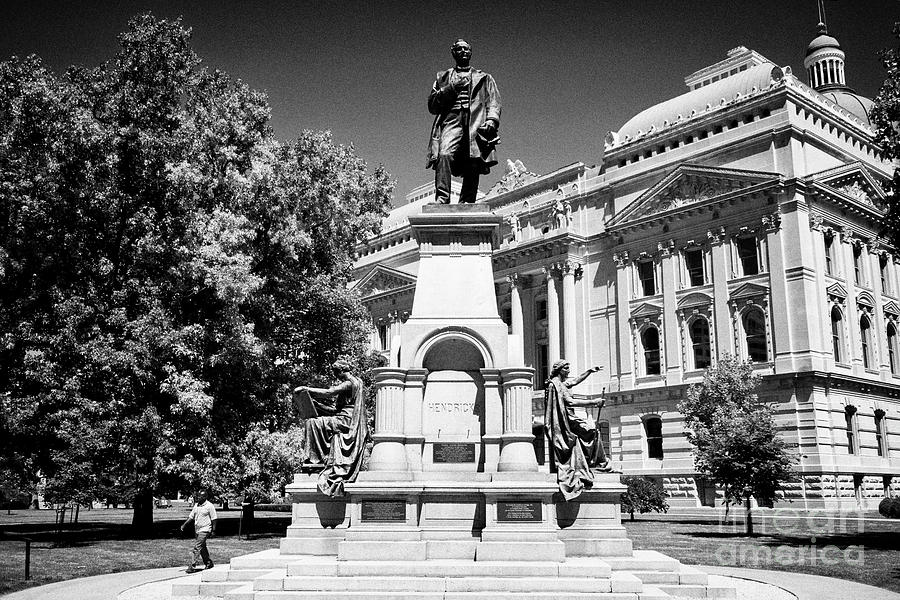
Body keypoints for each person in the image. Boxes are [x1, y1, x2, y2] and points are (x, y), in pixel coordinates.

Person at [426, 38, 501, 204]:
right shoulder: (443, 77)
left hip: (476, 120)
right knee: (444, 154)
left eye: (466, 49)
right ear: (453, 53)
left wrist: (491, 120)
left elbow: (494, 101)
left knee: (473, 160)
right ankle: (442, 199)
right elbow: (432, 105)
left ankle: (468, 201)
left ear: (471, 52)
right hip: (451, 119)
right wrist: (452, 88)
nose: (463, 52)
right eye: (459, 49)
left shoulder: (485, 77)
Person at [293, 359, 368, 497]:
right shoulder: (357, 382)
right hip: (343, 417)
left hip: (347, 421)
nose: (335, 376)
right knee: (314, 421)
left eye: (335, 372)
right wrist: (316, 404)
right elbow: (334, 409)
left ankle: (316, 459)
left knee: (313, 423)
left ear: (341, 371)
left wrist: (307, 389)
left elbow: (329, 392)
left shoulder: (350, 383)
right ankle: (317, 458)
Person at [544, 360, 613, 500]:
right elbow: (570, 402)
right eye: (566, 368)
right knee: (592, 432)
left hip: (570, 418)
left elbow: (575, 381)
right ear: (560, 370)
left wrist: (589, 371)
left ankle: (596, 461)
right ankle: (600, 462)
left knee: (593, 433)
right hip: (566, 420)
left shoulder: (562, 383)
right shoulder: (556, 385)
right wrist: (594, 402)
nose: (569, 371)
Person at [180, 490, 217, 572]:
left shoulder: (209, 506)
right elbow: (191, 516)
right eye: (198, 496)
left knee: (197, 547)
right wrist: (184, 524)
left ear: (205, 497)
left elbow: (214, 519)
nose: (198, 497)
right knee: (202, 547)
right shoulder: (196, 505)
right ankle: (208, 563)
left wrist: (213, 530)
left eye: (200, 496)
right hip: (197, 530)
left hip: (205, 529)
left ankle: (192, 565)